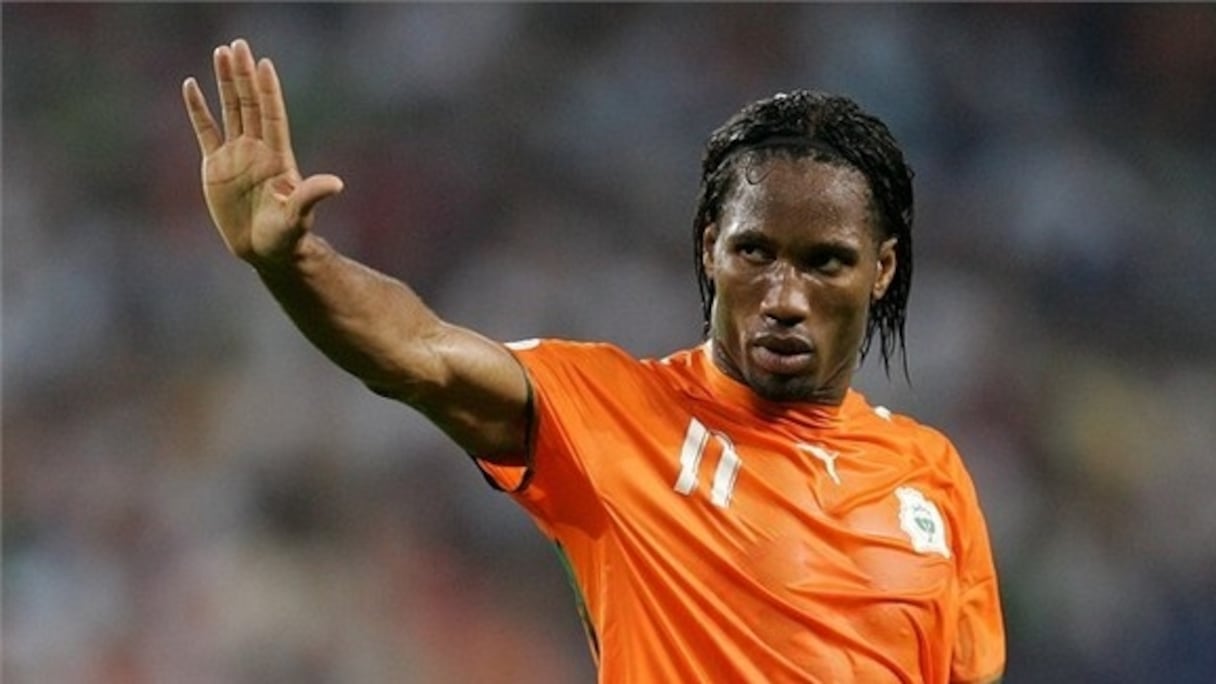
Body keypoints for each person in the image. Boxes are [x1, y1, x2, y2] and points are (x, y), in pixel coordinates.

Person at [182, 38, 1005, 684]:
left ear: (881, 269)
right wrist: (293, 263)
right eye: (755, 252)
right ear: (709, 249)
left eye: (825, 262)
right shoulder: (614, 413)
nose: (785, 296)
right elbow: (419, 353)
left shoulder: (930, 475)